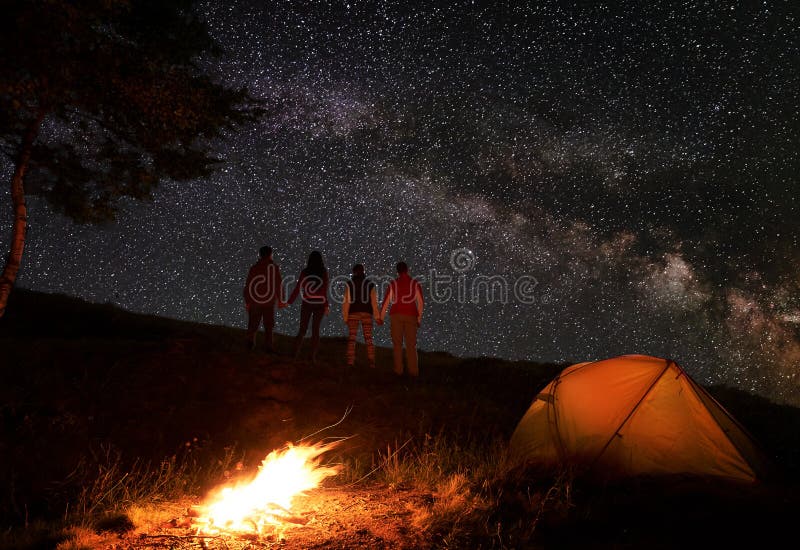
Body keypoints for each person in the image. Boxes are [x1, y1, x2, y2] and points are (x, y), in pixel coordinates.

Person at [379, 261, 424, 377]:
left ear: (397, 271)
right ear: (407, 269)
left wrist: (381, 317)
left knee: (397, 344)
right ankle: (414, 372)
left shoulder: (393, 283)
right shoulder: (415, 283)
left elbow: (386, 301)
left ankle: (398, 371)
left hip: (396, 315)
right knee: (411, 345)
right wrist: (418, 319)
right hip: (411, 315)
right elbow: (420, 302)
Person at [286, 250, 329, 364]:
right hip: (319, 304)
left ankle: (294, 353)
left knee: (302, 329)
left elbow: (297, 288)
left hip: (307, 303)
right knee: (315, 331)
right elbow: (325, 290)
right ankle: (312, 357)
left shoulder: (305, 272)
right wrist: (326, 305)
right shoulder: (323, 271)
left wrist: (289, 301)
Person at [243, 245, 284, 353]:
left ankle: (249, 344)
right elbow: (278, 284)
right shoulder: (274, 268)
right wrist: (281, 300)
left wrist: (247, 301)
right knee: (269, 325)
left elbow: (248, 285)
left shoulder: (254, 268)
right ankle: (268, 347)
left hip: (255, 300)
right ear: (270, 255)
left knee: (253, 324)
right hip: (268, 301)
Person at [342, 264, 381, 369]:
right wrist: (377, 317)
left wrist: (345, 316)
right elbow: (374, 302)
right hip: (367, 313)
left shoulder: (349, 284)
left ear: (354, 272)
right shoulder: (370, 284)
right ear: (363, 271)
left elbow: (347, 301)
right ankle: (372, 362)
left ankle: (350, 362)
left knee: (352, 338)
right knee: (368, 338)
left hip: (353, 312)